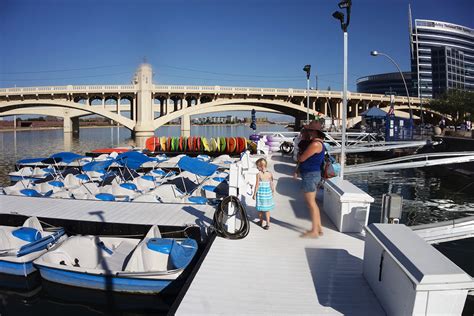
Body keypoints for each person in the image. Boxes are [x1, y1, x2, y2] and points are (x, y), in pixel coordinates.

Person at [294, 120, 325, 238]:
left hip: (310, 175)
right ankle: (319, 228)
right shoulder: (317, 142)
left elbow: (301, 158)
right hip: (312, 174)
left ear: (314, 131)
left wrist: (298, 155)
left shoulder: (315, 144)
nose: (308, 132)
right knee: (313, 203)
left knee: (311, 203)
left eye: (310, 130)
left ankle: (314, 231)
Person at [252, 158, 275, 230]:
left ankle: (261, 222)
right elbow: (271, 183)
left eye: (257, 166)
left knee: (260, 209)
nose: (257, 168)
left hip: (261, 194)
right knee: (267, 210)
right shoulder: (270, 174)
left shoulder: (258, 174)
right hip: (268, 193)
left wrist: (254, 194)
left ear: (260, 166)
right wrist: (273, 191)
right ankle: (268, 224)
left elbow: (257, 185)